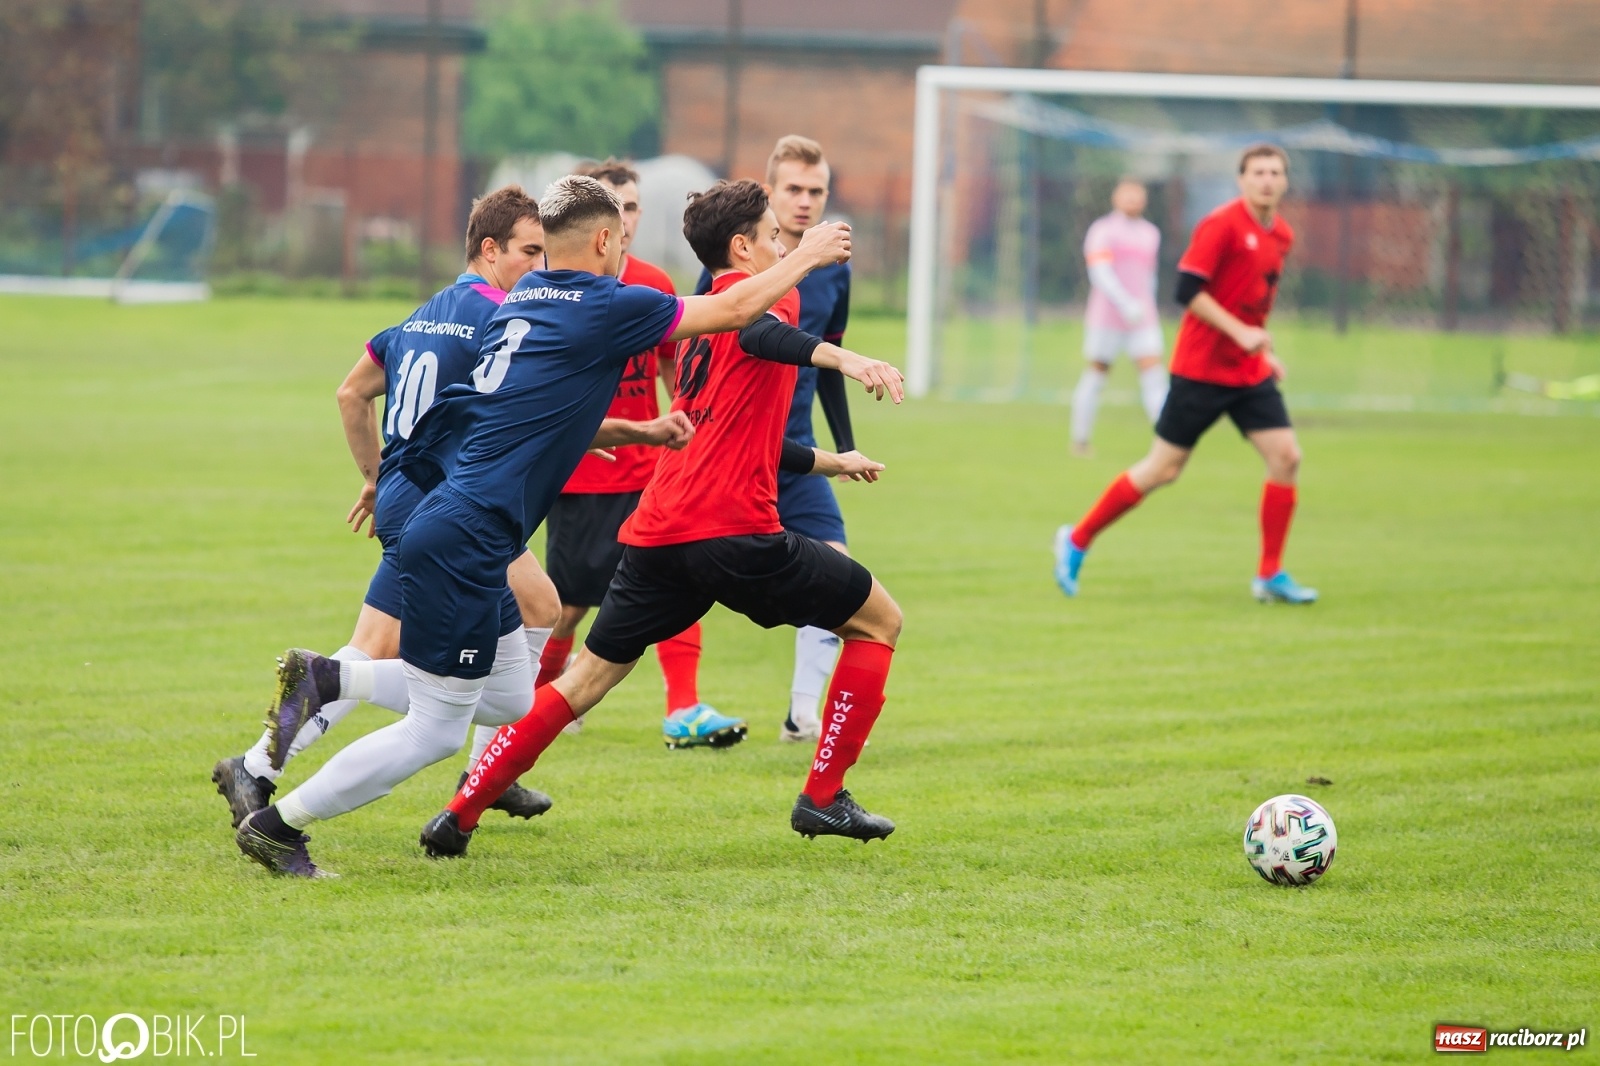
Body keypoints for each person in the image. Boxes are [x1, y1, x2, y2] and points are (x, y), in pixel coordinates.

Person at [234, 176, 852, 877]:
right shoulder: (605, 303)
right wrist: (807, 254)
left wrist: (639, 431)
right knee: (436, 731)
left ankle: (333, 679)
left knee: (508, 696)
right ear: (603, 240)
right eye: (621, 236)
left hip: (465, 524)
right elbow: (735, 305)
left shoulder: (524, 297)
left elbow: (539, 412)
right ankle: (279, 825)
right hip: (467, 533)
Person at [419, 178, 905, 859]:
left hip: (659, 529)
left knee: (586, 679)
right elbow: (769, 332)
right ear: (743, 247)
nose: (781, 243)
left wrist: (830, 461)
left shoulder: (703, 324)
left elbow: (736, 427)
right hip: (733, 529)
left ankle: (458, 812)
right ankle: (823, 798)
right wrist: (844, 352)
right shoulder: (764, 294)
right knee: (880, 621)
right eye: (772, 235)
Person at [212, 186, 559, 829]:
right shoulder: (497, 321)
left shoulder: (422, 315)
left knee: (520, 610)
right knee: (390, 655)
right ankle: (268, 768)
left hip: (413, 497)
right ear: (491, 250)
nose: (540, 269)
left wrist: (378, 476)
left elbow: (351, 394)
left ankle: (262, 765)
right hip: (452, 508)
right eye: (530, 252)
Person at [1053, 145, 1318, 605]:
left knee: (1287, 456)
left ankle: (1270, 574)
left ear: (1285, 181)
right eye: (1258, 172)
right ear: (1242, 179)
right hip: (1201, 370)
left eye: (1276, 172)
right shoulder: (1221, 225)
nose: (1268, 180)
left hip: (1248, 371)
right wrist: (1241, 333)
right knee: (1163, 469)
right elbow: (1186, 290)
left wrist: (1262, 349)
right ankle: (1076, 539)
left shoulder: (1282, 235)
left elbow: (1253, 302)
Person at [541, 158, 741, 749]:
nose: (623, 219)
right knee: (568, 604)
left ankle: (683, 708)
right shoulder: (560, 290)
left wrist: (684, 424)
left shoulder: (652, 284)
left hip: (650, 467)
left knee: (683, 577)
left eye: (631, 207)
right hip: (586, 472)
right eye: (614, 207)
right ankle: (535, 703)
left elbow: (674, 368)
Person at [697, 135, 857, 743]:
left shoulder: (832, 272)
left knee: (840, 575)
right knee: (603, 592)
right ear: (770, 191)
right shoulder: (733, 269)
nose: (805, 201)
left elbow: (828, 360)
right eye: (793, 189)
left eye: (816, 191)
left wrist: (842, 450)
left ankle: (801, 712)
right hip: (734, 455)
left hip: (799, 453)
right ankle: (570, 692)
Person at [1070, 179, 1167, 455]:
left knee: (1154, 376)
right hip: (1107, 318)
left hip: (1143, 318)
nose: (1132, 199)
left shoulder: (1151, 233)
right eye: (1127, 194)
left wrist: (1145, 305)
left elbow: (1149, 276)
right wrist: (1125, 303)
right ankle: (1080, 439)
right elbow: (1100, 272)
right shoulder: (1103, 230)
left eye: (1138, 195)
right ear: (1116, 197)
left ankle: (1166, 441)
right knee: (1097, 374)